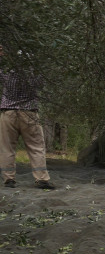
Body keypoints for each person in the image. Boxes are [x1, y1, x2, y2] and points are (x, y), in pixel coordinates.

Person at [0, 46, 55, 190]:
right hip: (29, 113)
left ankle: (9, 179)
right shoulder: (34, 74)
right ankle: (42, 178)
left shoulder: (7, 71)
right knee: (36, 147)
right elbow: (41, 84)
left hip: (8, 113)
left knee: (7, 148)